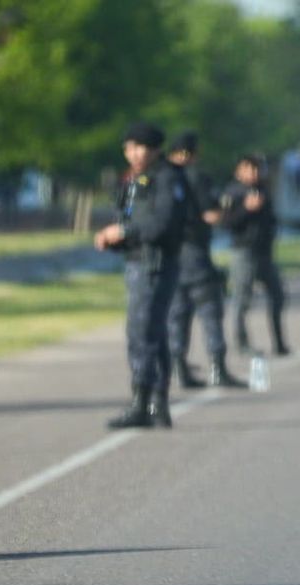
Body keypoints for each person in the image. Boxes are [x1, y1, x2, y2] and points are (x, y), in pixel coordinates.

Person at [95, 122, 189, 428]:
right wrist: (115, 237)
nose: (133, 154)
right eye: (129, 148)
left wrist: (123, 231)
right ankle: (156, 404)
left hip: (156, 264)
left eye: (140, 148)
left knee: (142, 333)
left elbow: (161, 224)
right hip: (137, 261)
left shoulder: (167, 179)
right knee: (152, 333)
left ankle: (143, 402)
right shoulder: (137, 180)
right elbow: (130, 219)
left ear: (156, 149)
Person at [165, 131, 243, 388]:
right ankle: (218, 368)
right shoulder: (197, 177)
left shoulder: (162, 177)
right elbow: (211, 215)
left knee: (178, 314)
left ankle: (179, 368)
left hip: (171, 255)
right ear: (191, 153)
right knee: (210, 311)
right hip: (195, 254)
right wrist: (226, 210)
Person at [221, 154, 290, 356]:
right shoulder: (233, 193)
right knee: (242, 298)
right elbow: (226, 223)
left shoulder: (264, 191)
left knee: (277, 295)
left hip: (264, 252)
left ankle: (279, 342)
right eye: (248, 169)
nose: (253, 173)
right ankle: (241, 343)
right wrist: (246, 209)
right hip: (243, 251)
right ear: (238, 171)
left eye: (256, 169)